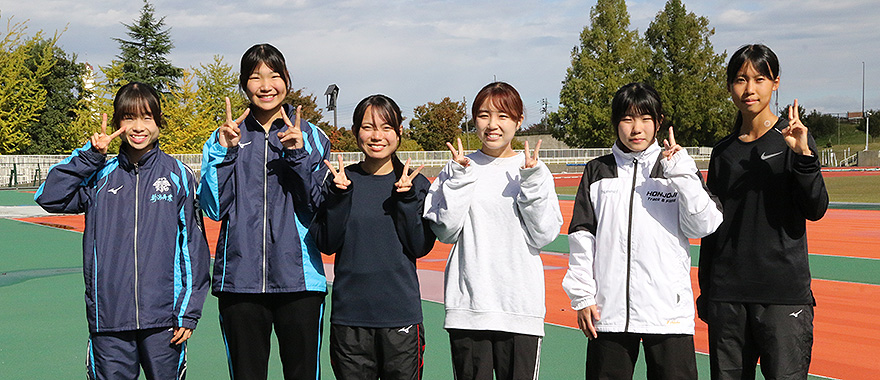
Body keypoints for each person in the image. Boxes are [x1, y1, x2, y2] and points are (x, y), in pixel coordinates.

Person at [35, 82, 211, 380]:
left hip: (164, 322)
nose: (138, 127)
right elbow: (49, 196)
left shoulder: (179, 176)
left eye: (147, 118)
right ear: (117, 123)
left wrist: (187, 312)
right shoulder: (98, 174)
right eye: (129, 118)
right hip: (109, 320)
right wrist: (90, 155)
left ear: (159, 122)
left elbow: (192, 247)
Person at [561, 82, 723, 379]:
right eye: (627, 119)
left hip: (668, 315)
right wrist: (583, 297)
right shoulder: (597, 171)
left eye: (646, 119)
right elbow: (582, 236)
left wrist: (682, 174)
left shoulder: (676, 168)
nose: (637, 128)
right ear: (616, 123)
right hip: (608, 314)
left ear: (659, 122)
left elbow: (706, 224)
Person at [198, 43, 331, 380]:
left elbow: (316, 204)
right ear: (244, 85)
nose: (266, 85)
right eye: (256, 77)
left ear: (287, 80)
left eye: (274, 76)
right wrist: (225, 153)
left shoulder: (312, 137)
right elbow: (213, 208)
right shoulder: (223, 137)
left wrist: (298, 156)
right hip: (239, 282)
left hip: (299, 281)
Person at [698, 44, 829, 380]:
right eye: (741, 80)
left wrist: (804, 158)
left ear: (776, 83)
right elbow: (713, 229)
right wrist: (707, 291)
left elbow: (815, 209)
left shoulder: (793, 140)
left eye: (759, 79)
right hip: (728, 298)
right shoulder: (724, 153)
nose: (750, 89)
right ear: (730, 87)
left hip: (782, 296)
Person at [423, 82, 563, 380]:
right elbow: (445, 230)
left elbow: (544, 235)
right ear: (474, 119)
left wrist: (531, 180)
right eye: (484, 115)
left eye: (503, 116)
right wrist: (460, 178)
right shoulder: (458, 167)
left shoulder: (534, 169)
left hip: (519, 308)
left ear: (518, 121)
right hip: (469, 308)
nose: (492, 124)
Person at [310, 94, 435, 380]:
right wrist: (340, 197)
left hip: (401, 318)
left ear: (399, 132)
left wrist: (405, 199)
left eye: (386, 127)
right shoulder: (339, 181)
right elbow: (326, 243)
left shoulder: (414, 183)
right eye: (368, 127)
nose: (377, 136)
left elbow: (419, 246)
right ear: (355, 132)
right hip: (350, 318)